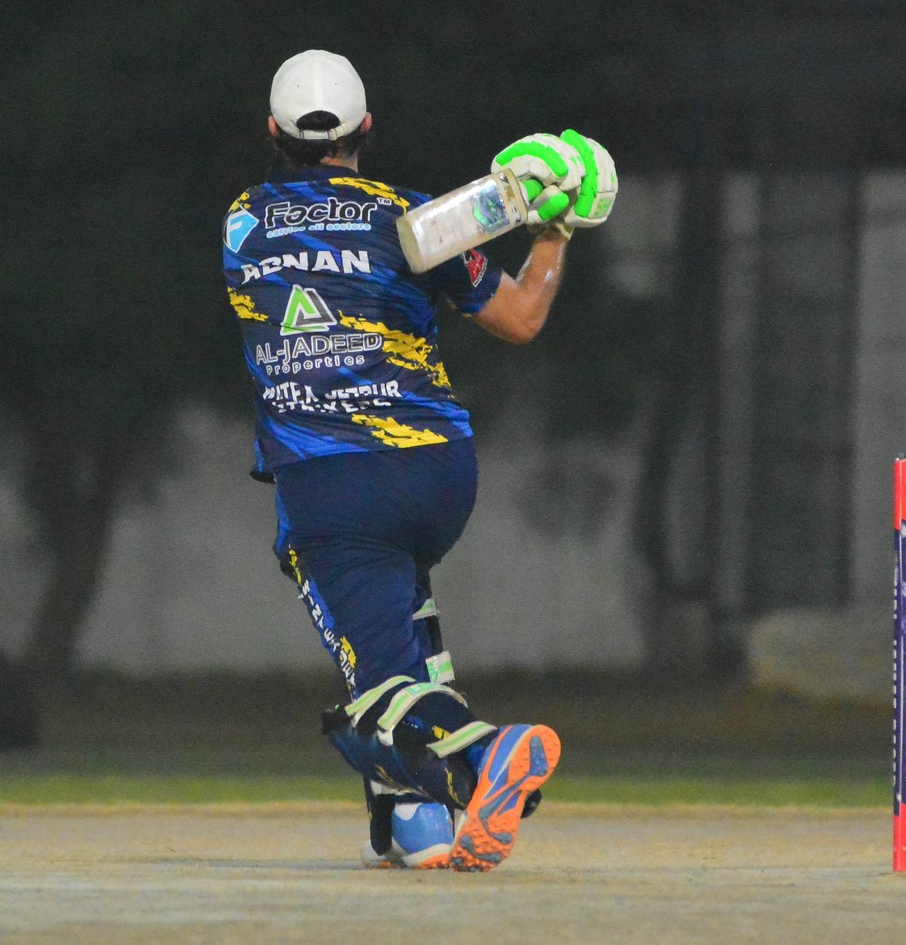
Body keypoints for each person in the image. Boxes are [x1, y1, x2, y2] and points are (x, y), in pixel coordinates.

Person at [222, 49, 616, 871]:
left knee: (375, 697)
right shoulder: (416, 217)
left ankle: (487, 757)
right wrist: (552, 226)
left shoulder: (243, 221)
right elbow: (521, 317)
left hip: (333, 480)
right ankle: (417, 824)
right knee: (404, 644)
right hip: (440, 472)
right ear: (367, 127)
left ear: (272, 132)